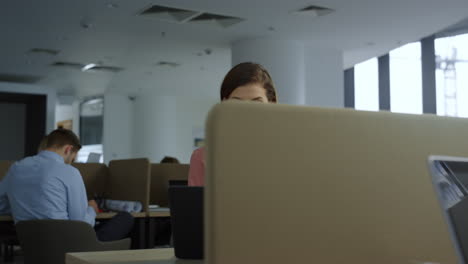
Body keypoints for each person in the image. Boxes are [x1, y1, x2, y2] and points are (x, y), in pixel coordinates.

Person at [0, 129, 134, 242]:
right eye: (73, 157)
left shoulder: (16, 168)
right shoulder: (69, 172)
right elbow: (81, 225)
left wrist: (24, 206)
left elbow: (2, 205)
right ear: (68, 149)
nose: (72, 161)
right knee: (126, 218)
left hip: (31, 245)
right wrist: (91, 209)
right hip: (69, 245)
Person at [188, 62, 278, 186]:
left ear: (271, 103)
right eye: (237, 103)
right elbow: (196, 205)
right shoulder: (203, 157)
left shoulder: (287, 154)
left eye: (256, 103)